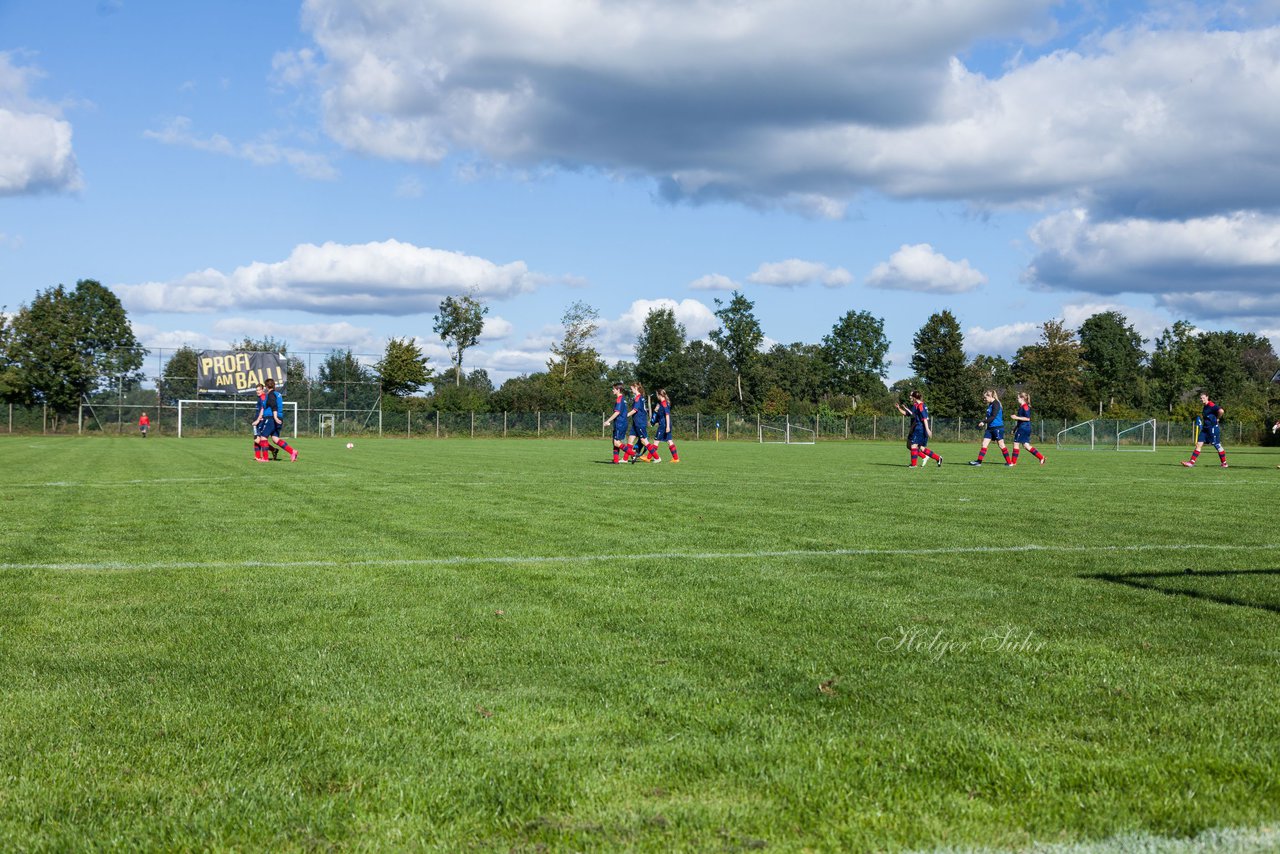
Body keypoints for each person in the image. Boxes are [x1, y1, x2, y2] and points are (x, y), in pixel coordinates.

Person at [895, 390, 942, 467]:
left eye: (911, 396)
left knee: (913, 446)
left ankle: (914, 465)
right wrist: (899, 408)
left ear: (914, 397)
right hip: (918, 428)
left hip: (920, 428)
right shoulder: (917, 405)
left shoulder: (920, 405)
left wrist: (927, 429)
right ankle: (938, 458)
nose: (910, 397)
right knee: (920, 448)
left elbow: (924, 418)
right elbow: (908, 414)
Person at [969, 389, 1013, 466]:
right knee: (984, 444)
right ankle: (978, 462)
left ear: (990, 396)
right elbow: (989, 416)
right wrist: (984, 421)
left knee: (1001, 445)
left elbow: (993, 417)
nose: (984, 399)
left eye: (985, 397)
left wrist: (983, 422)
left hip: (997, 428)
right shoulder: (990, 404)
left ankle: (1009, 463)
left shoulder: (996, 404)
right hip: (990, 428)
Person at [1182, 392, 1227, 468]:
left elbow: (1221, 411)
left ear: (1207, 397)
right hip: (1205, 429)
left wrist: (1217, 418)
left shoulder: (1211, 405)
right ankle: (1191, 462)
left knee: (1217, 445)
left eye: (1203, 398)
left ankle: (1224, 463)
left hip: (1212, 429)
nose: (1202, 399)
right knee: (1199, 444)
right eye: (1201, 398)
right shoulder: (1205, 406)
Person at [260, 377, 299, 462]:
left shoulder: (271, 394)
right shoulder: (278, 394)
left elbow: (274, 406)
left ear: (266, 386)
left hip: (272, 418)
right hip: (278, 417)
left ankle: (265, 458)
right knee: (275, 439)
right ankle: (293, 451)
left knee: (263, 437)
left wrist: (275, 417)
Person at [1009, 391, 1046, 466]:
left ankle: (1013, 462)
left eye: (1018, 398)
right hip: (1024, 427)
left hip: (1024, 428)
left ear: (1022, 398)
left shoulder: (1025, 407)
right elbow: (1020, 420)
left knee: (1016, 443)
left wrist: (1016, 417)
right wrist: (1015, 428)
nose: (1017, 399)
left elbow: (1027, 418)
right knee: (1026, 445)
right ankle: (1041, 457)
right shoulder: (1021, 407)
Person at [627, 381, 660, 463]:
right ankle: (625, 459)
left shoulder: (638, 398)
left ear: (636, 388)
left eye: (632, 388)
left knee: (644, 441)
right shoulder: (638, 397)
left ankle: (657, 457)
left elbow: (635, 410)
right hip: (636, 422)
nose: (631, 390)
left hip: (640, 422)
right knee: (630, 440)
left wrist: (625, 416)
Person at [602, 383, 629, 463]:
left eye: (614, 389)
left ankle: (633, 454)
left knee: (617, 443)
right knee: (614, 442)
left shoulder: (619, 399)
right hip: (621, 423)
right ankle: (616, 461)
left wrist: (608, 421)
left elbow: (617, 412)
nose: (612, 390)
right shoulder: (623, 399)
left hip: (620, 424)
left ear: (618, 390)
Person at [652, 388, 680, 463]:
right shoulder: (662, 403)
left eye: (657, 394)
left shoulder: (664, 403)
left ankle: (649, 457)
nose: (656, 396)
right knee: (669, 440)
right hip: (665, 424)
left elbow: (667, 415)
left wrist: (667, 426)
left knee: (656, 441)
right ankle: (676, 458)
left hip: (664, 425)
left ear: (659, 395)